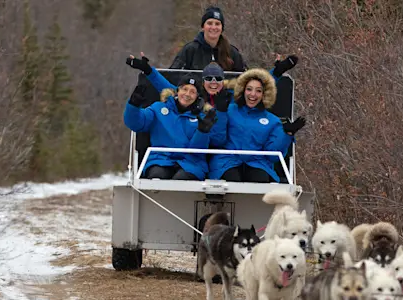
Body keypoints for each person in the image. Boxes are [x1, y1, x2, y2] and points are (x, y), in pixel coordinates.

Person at [208, 68, 306, 183]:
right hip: (227, 160)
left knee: (260, 180)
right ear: (243, 90)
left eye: (258, 91)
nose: (253, 94)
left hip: (257, 162)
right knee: (231, 180)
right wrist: (220, 112)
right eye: (249, 89)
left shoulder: (272, 121)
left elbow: (272, 155)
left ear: (265, 94)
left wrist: (287, 134)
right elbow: (217, 140)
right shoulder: (228, 110)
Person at [123, 74, 222, 180]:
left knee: (181, 180)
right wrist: (133, 106)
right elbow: (136, 124)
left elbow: (197, 151)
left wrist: (202, 132)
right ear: (177, 90)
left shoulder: (203, 117)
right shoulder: (158, 108)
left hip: (191, 163)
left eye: (192, 92)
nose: (187, 94)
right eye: (185, 89)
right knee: (157, 176)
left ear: (197, 96)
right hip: (161, 159)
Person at [126, 54, 299, 107]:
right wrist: (148, 70)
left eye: (218, 78)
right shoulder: (192, 96)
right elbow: (166, 87)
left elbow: (258, 86)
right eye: (209, 78)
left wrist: (277, 71)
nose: (213, 82)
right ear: (203, 81)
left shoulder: (233, 98)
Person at [170, 5, 246, 71]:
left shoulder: (232, 52)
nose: (213, 27)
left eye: (217, 24)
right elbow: (173, 75)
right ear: (203, 27)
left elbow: (244, 78)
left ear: (222, 28)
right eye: (209, 23)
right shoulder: (190, 50)